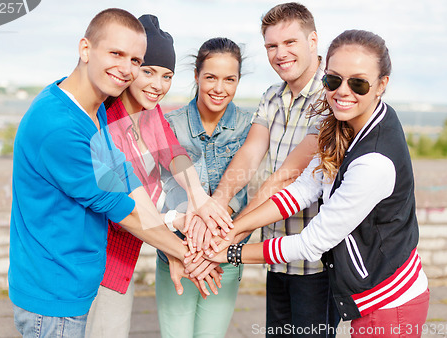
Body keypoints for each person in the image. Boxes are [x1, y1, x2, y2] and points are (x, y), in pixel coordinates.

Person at [209, 29, 430, 338]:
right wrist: (232, 230)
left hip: (390, 305)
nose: (343, 91)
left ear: (382, 85)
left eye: (358, 83)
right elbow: (301, 189)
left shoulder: (373, 162)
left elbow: (312, 242)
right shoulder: (348, 124)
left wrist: (229, 252)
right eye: (333, 80)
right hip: (374, 298)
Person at [8, 9, 205, 337]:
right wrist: (187, 253)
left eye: (134, 60)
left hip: (74, 280)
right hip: (55, 296)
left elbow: (126, 179)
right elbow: (125, 212)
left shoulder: (92, 107)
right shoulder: (59, 127)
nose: (126, 68)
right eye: (116, 53)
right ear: (85, 49)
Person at [85, 14, 227, 337]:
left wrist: (199, 199)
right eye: (148, 71)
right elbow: (124, 205)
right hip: (97, 260)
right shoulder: (105, 121)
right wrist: (180, 245)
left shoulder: (151, 115)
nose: (157, 85)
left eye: (167, 76)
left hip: (124, 257)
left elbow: (174, 154)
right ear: (132, 68)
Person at [209, 2, 339, 336]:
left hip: (317, 261)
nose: (280, 53)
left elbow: (289, 175)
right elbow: (250, 154)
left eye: (289, 42)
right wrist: (216, 203)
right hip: (275, 252)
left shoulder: (332, 98)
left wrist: (230, 236)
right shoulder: (271, 96)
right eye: (271, 45)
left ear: (313, 42)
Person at [155, 37, 253, 337]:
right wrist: (185, 252)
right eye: (210, 77)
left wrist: (216, 245)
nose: (219, 88)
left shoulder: (251, 127)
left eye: (229, 79)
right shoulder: (168, 125)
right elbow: (160, 194)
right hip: (177, 253)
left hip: (225, 254)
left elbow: (250, 196)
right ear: (196, 76)